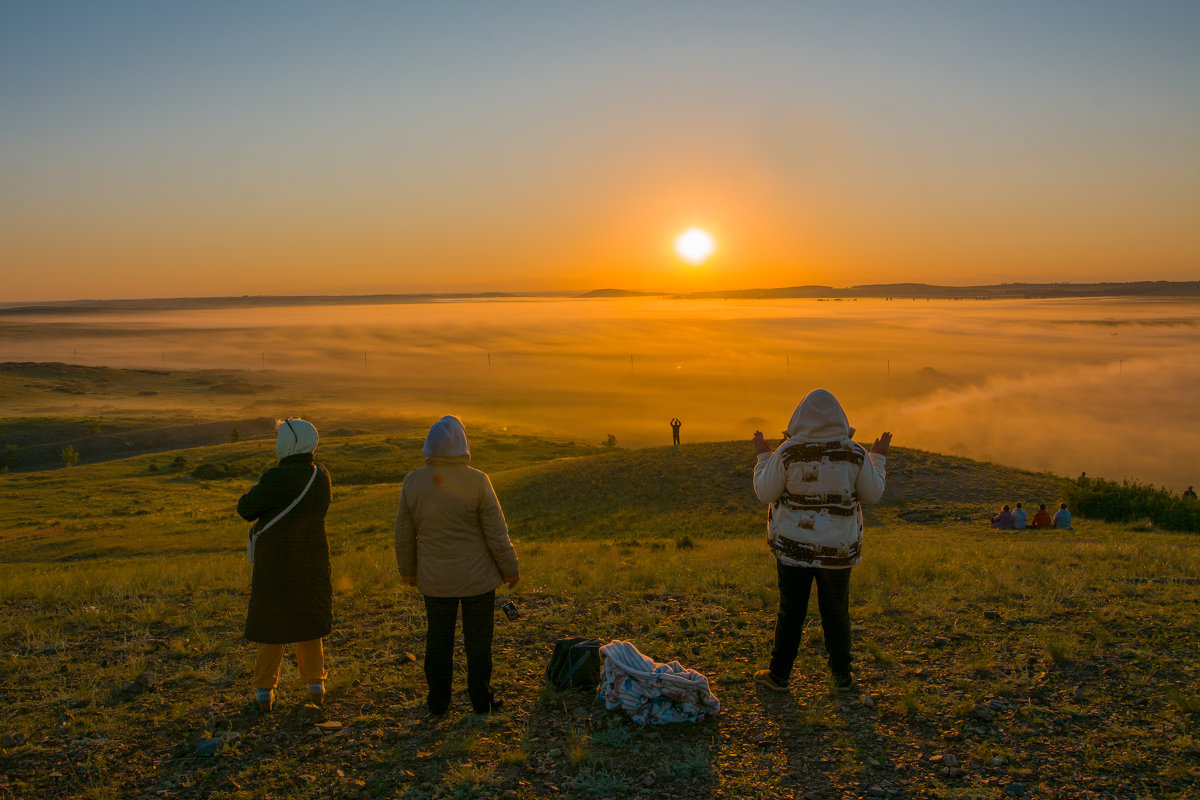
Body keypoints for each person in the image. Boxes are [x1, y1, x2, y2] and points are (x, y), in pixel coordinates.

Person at [750, 389, 889, 693]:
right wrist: (877, 457)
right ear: (840, 418)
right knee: (836, 611)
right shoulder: (854, 453)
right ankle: (842, 675)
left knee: (791, 611)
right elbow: (872, 494)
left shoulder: (788, 451)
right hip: (838, 551)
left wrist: (763, 456)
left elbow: (765, 492)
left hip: (793, 550)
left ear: (799, 417)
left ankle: (779, 675)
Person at [395, 416, 520, 716]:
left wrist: (407, 571)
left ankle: (438, 703)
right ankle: (481, 700)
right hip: (478, 580)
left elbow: (403, 533)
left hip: (434, 580)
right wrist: (510, 568)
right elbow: (496, 532)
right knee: (478, 640)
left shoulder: (412, 482)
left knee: (438, 638)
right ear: (463, 444)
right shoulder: (477, 480)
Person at [237, 418, 333, 713]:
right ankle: (315, 686)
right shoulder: (321, 476)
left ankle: (264, 692)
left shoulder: (276, 478)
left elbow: (245, 508)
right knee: (309, 618)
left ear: (288, 444)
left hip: (276, 562)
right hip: (312, 559)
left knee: (271, 622)